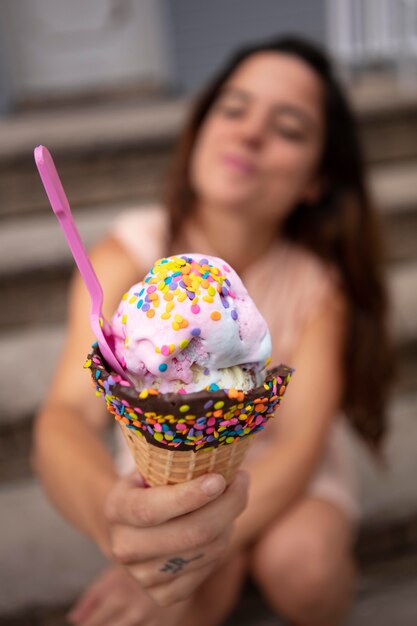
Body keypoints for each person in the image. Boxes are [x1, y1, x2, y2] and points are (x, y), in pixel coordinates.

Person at [32, 35, 392, 626]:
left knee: (305, 568)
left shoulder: (317, 287)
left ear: (316, 181)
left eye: (290, 128)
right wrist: (113, 518)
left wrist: (213, 536)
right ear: (199, 130)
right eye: (233, 107)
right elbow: (63, 417)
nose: (250, 132)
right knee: (184, 601)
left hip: (284, 470)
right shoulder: (125, 260)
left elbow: (301, 445)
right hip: (169, 463)